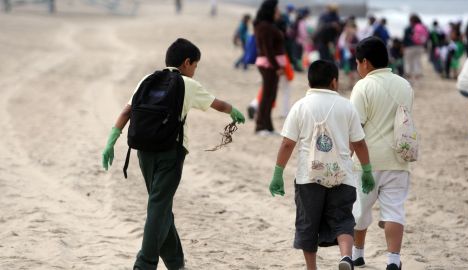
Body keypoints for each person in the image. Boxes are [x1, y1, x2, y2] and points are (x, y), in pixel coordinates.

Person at [101, 38, 245, 270]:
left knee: (161, 206)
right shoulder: (186, 84)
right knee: (158, 208)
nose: (194, 71)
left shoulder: (147, 80)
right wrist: (234, 111)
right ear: (187, 62)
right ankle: (144, 264)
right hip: (171, 153)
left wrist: (111, 141)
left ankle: (176, 264)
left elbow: (127, 110)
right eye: (195, 66)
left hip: (143, 151)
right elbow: (216, 104)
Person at [268, 60, 375, 270]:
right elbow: (359, 143)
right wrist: (367, 171)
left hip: (308, 177)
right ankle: (346, 257)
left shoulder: (300, 106)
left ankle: (312, 268)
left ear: (310, 81)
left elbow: (287, 143)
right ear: (334, 82)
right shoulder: (347, 107)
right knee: (343, 219)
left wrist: (278, 173)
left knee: (308, 223)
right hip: (342, 175)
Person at [350, 36, 414, 270]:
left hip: (368, 161)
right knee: (395, 210)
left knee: (360, 210)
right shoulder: (404, 85)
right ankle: (393, 260)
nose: (357, 67)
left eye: (357, 62)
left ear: (365, 62)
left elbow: (354, 129)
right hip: (399, 159)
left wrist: (345, 159)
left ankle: (357, 254)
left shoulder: (363, 86)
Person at [253, 0, 286, 135]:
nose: (279, 12)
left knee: (271, 96)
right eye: (277, 10)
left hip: (271, 65)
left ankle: (268, 126)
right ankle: (260, 126)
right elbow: (268, 50)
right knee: (267, 96)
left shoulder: (268, 25)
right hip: (269, 65)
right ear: (270, 11)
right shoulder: (265, 27)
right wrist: (277, 66)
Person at [403, 14, 428, 82]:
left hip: (409, 47)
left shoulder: (409, 28)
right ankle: (417, 74)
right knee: (417, 60)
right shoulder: (423, 27)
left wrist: (403, 47)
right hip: (420, 46)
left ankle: (409, 75)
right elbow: (427, 36)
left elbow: (405, 39)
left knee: (409, 61)